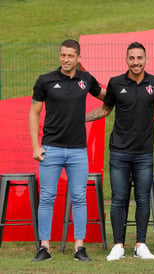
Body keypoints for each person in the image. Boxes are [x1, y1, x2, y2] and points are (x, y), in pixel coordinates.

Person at [85, 42, 154, 261]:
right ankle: (118, 245)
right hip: (119, 151)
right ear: (126, 60)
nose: (136, 62)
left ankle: (140, 244)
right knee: (119, 198)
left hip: (144, 152)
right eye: (132, 58)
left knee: (142, 199)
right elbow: (105, 109)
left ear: (145, 60)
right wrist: (80, 118)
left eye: (140, 58)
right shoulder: (116, 82)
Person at [29, 39, 105, 261]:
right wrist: (36, 146)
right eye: (63, 55)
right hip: (50, 149)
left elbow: (107, 97)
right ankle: (44, 247)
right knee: (47, 198)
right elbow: (34, 113)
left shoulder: (86, 79)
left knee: (80, 198)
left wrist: (109, 107)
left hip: (77, 151)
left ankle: (79, 248)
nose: (66, 59)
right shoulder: (45, 81)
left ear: (78, 58)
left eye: (71, 55)